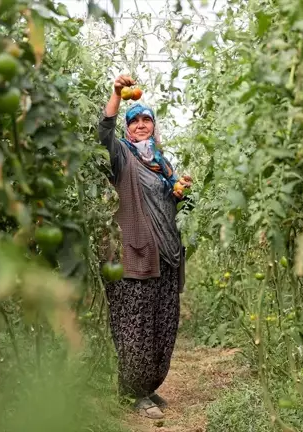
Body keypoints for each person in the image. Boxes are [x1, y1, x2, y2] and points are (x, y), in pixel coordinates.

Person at [97, 74, 192, 419]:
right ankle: (133, 393)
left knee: (161, 323)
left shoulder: (162, 163)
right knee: (134, 324)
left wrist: (179, 192)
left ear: (153, 125)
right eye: (133, 120)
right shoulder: (122, 155)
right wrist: (116, 95)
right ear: (128, 127)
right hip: (135, 254)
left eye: (146, 119)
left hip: (165, 255)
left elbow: (168, 204)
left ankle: (148, 387)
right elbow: (103, 134)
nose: (140, 125)